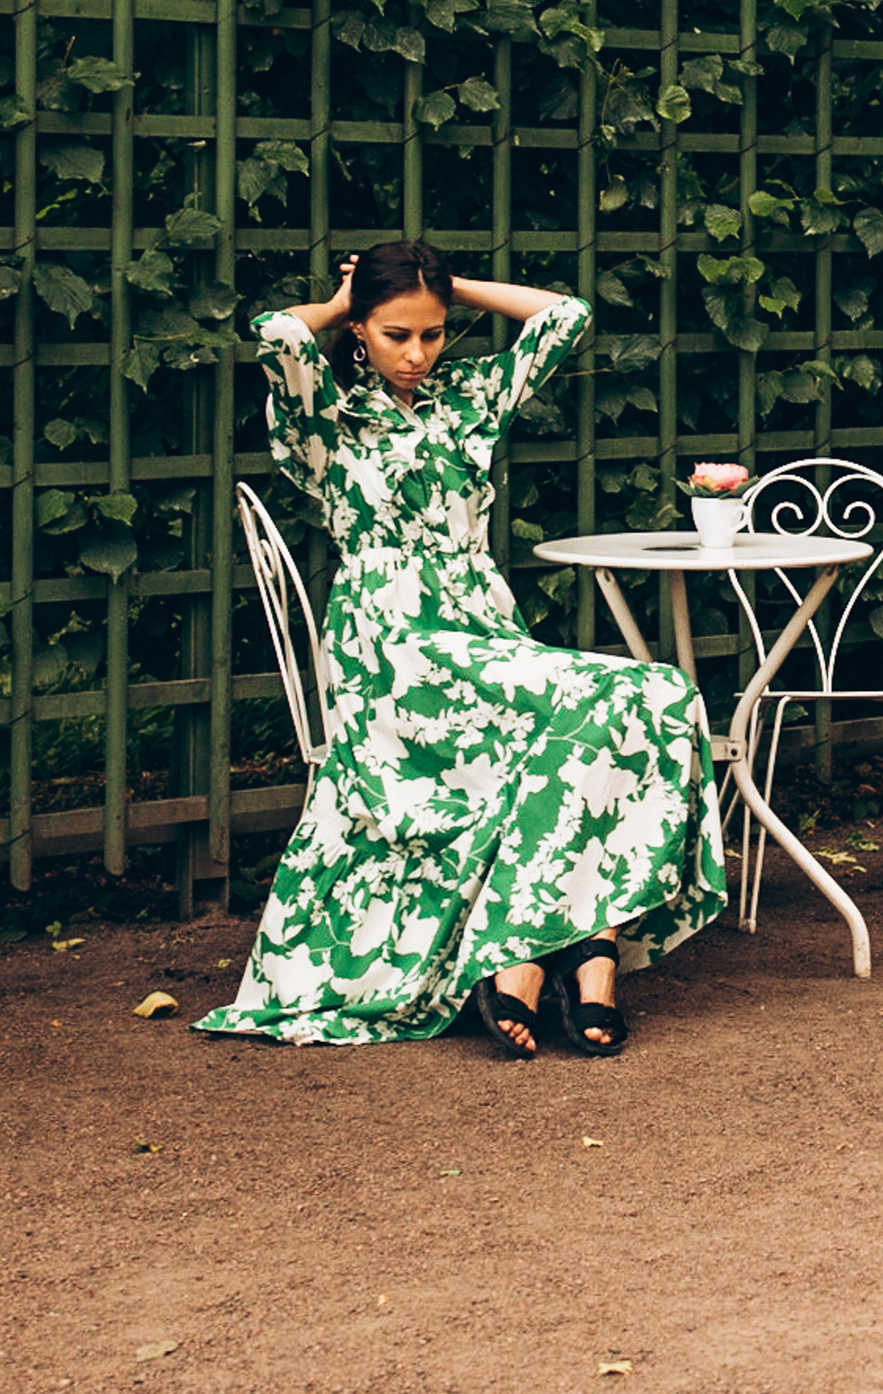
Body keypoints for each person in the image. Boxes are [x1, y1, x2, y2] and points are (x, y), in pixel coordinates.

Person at [198, 239, 723, 1052]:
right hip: (393, 648)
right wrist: (344, 301)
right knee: (601, 700)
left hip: (480, 626)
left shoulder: (469, 395)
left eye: (432, 333)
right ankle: (556, 959)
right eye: (395, 333)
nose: (416, 353)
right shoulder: (325, 415)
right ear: (363, 332)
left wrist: (448, 285)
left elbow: (565, 316)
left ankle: (580, 955)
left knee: (653, 693)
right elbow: (276, 332)